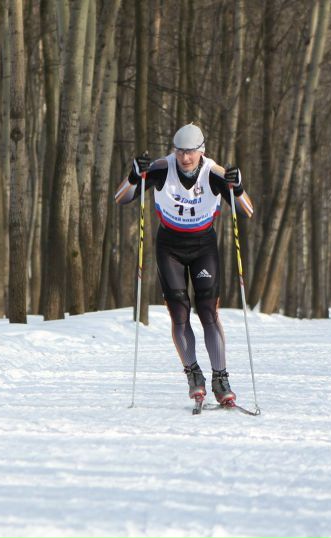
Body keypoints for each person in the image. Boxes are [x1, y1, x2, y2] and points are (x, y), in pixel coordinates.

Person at [114, 123, 254, 405]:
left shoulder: (214, 173)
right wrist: (133, 175)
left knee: (208, 312)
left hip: (203, 247)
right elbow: (121, 198)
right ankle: (193, 374)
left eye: (190, 152)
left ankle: (221, 378)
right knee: (179, 313)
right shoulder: (161, 168)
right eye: (179, 151)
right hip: (170, 248)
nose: (185, 158)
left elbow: (247, 211)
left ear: (201, 151)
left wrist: (237, 188)